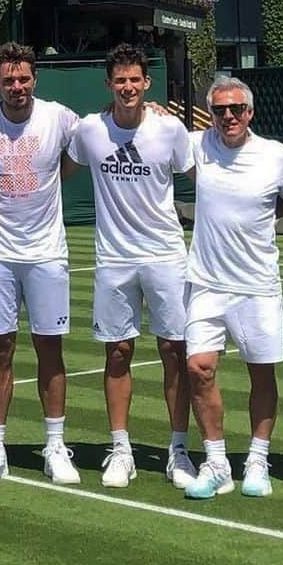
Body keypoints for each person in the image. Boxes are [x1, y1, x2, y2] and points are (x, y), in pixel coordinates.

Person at [67, 43, 197, 490]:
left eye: (134, 80)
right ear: (109, 85)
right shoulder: (88, 130)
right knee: (117, 352)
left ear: (147, 83)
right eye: (119, 81)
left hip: (165, 255)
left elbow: (199, 176)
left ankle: (177, 450)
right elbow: (57, 165)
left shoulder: (170, 129)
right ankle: (121, 449)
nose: (127, 87)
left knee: (174, 353)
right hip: (114, 259)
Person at [0, 42, 82, 487]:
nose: (17, 87)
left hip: (47, 253)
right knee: (0, 352)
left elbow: (87, 147)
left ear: (35, 80)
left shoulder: (60, 117)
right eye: (9, 80)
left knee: (52, 350)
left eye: (24, 79)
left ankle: (54, 444)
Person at [182, 75, 283, 501]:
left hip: (257, 284)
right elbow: (154, 133)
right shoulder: (196, 144)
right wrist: (153, 110)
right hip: (206, 282)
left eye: (236, 109)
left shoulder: (275, 155)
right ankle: (216, 463)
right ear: (209, 113)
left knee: (260, 373)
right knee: (199, 368)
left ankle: (258, 460)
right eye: (219, 110)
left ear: (250, 112)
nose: (228, 116)